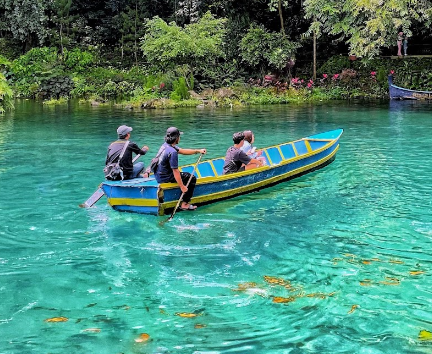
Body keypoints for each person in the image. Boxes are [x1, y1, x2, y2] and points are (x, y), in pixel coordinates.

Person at [154, 127, 207, 211]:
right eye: (179, 136)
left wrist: (198, 151)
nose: (180, 138)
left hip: (158, 175)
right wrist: (182, 186)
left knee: (183, 175)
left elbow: (182, 151)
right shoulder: (173, 152)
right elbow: (175, 171)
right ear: (176, 138)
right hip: (165, 177)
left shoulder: (165, 146)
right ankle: (185, 204)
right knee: (191, 178)